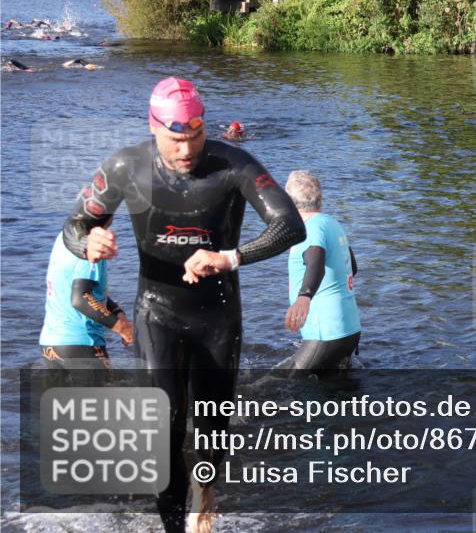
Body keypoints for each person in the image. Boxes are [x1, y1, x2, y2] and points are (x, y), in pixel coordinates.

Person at [63, 77, 305, 533]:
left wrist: (230, 257)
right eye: (176, 139)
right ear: (154, 128)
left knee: (212, 427)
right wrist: (87, 240)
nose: (188, 149)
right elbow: (75, 222)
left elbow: (291, 225)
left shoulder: (232, 163)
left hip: (217, 313)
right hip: (157, 312)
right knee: (164, 430)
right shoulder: (124, 167)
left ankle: (206, 488)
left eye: (195, 135)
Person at [283, 171, 361, 374]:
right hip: (349, 329)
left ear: (289, 203)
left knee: (282, 386)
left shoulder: (310, 229)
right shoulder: (332, 223)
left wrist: (304, 297)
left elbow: (315, 259)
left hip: (326, 332)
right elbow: (352, 267)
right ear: (320, 198)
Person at [40, 216, 134, 378]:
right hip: (82, 345)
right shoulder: (93, 248)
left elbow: (90, 292)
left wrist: (118, 312)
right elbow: (80, 299)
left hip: (50, 344)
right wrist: (123, 329)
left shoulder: (65, 239)